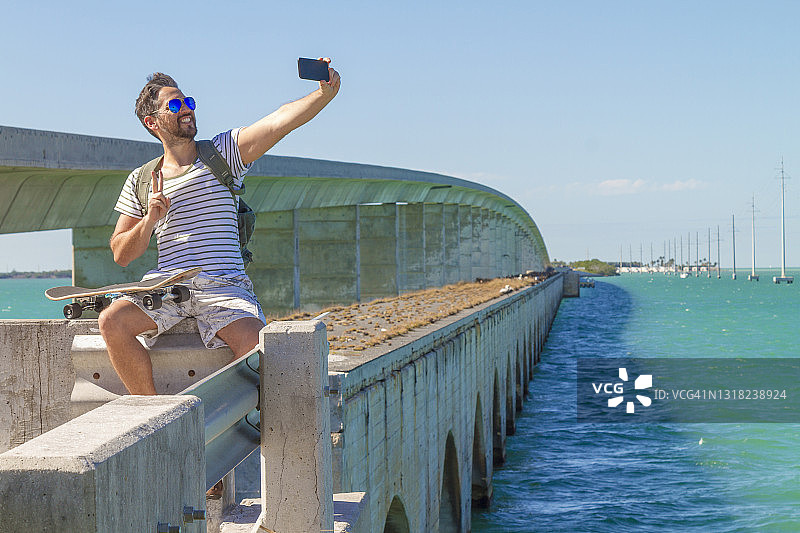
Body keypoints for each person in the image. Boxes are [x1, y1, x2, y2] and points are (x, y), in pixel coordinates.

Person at [100, 61, 341, 395]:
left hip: (224, 285)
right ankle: (152, 414)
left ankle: (250, 423)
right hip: (169, 286)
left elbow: (278, 121)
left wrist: (323, 94)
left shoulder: (223, 153)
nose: (186, 109)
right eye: (175, 105)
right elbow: (121, 254)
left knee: (260, 349)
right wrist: (150, 220)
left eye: (189, 102)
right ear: (152, 122)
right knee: (112, 321)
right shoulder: (142, 180)